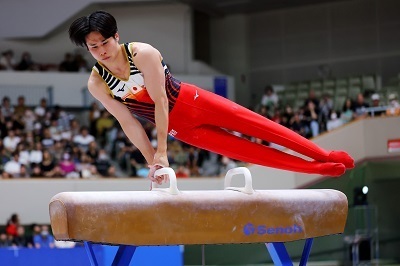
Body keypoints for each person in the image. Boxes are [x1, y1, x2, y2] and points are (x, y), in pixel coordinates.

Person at [68, 11, 354, 183]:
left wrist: (163, 151)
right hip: (184, 130)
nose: (102, 50)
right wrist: (151, 161)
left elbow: (161, 102)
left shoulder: (143, 54)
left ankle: (324, 154)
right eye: (93, 47)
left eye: (105, 42)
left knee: (262, 128)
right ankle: (318, 169)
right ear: (87, 49)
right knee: (248, 152)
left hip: (194, 103)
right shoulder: (97, 83)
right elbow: (128, 122)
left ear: (116, 36)